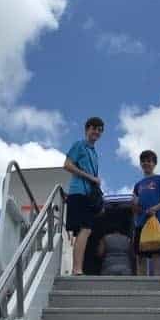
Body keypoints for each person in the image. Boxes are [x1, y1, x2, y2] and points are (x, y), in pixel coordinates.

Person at [63, 116, 104, 275]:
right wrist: (90, 177)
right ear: (87, 129)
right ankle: (77, 269)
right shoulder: (79, 145)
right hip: (78, 192)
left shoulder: (94, 153)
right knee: (85, 230)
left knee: (84, 231)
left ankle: (77, 268)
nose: (96, 132)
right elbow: (67, 165)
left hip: (89, 195)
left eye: (100, 130)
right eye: (94, 128)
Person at [132, 150, 160, 276]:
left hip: (157, 222)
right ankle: (141, 286)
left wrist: (155, 208)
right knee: (140, 256)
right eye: (143, 161)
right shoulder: (137, 184)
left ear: (154, 164)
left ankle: (157, 282)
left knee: (157, 255)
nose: (146, 163)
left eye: (149, 161)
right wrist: (134, 206)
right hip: (140, 224)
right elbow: (134, 202)